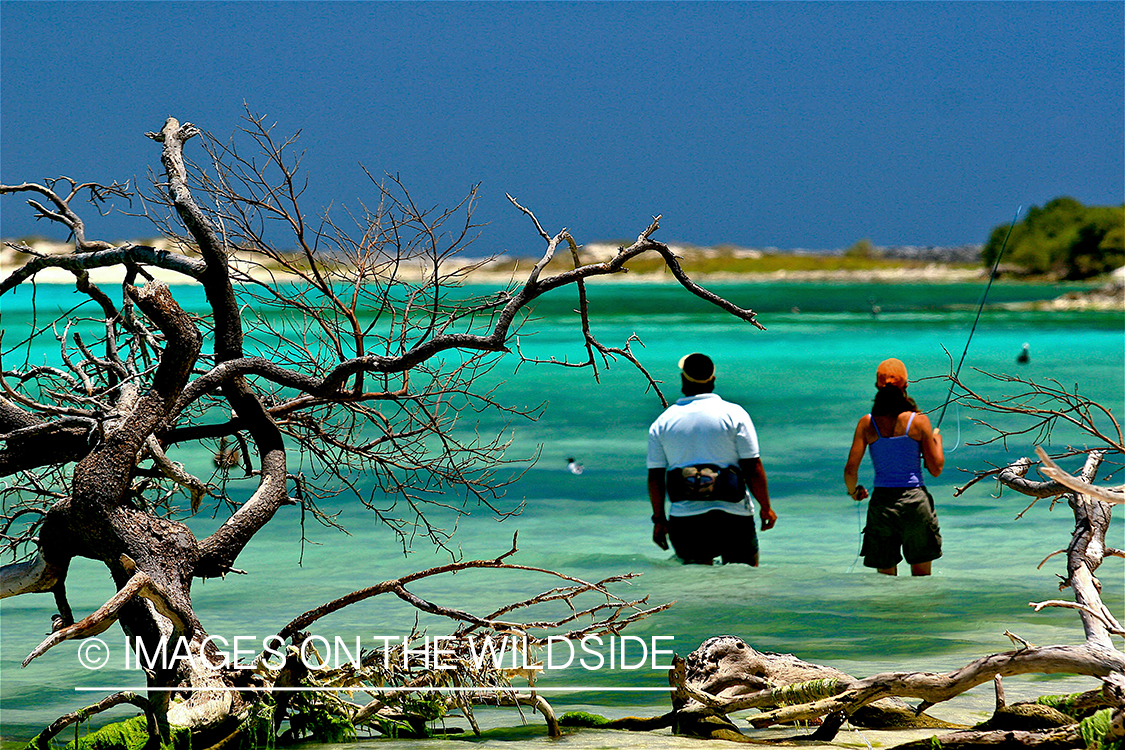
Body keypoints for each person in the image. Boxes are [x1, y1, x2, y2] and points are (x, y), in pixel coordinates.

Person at [647, 353, 777, 565]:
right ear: (713, 380)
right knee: (744, 585)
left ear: (683, 379)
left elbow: (655, 477)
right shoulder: (735, 414)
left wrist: (659, 520)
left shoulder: (663, 422)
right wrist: (765, 506)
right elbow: (753, 466)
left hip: (687, 518)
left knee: (695, 589)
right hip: (734, 515)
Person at [844, 358, 944, 576]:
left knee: (885, 585)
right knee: (922, 580)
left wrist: (854, 492)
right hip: (915, 504)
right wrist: (937, 441)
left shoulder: (867, 423)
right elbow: (936, 469)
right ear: (905, 386)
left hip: (882, 505)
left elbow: (851, 470)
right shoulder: (918, 422)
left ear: (877, 387)